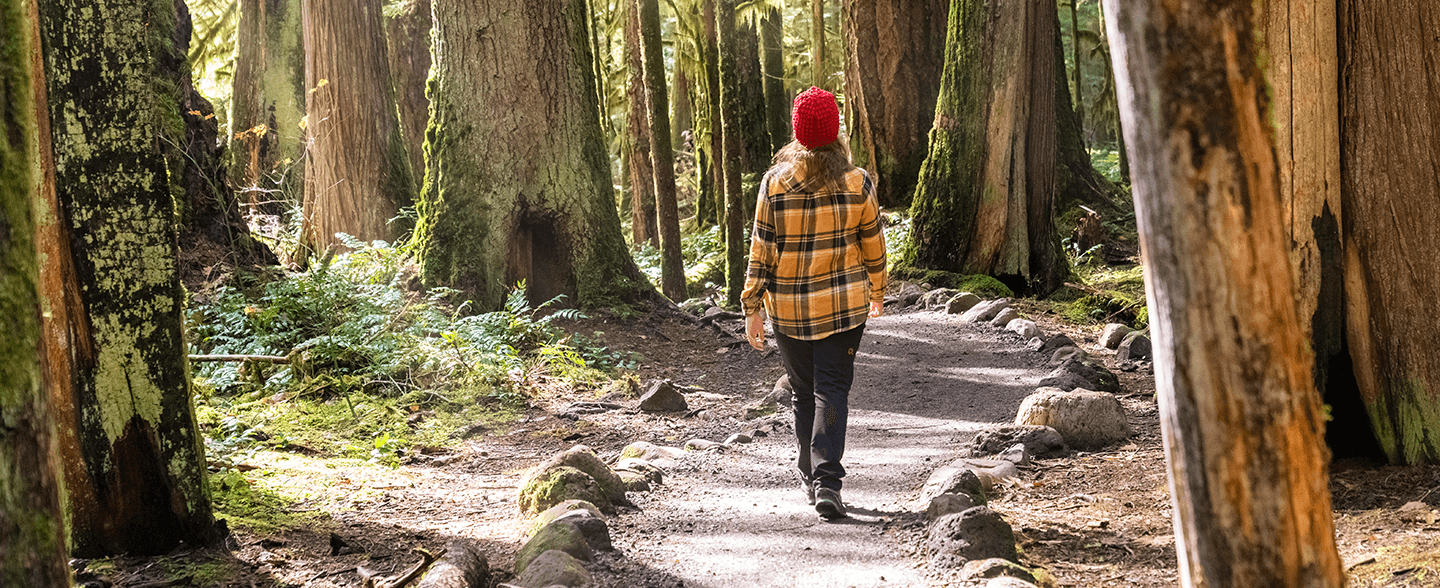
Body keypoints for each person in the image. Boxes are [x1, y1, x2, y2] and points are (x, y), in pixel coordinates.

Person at [741, 86, 887, 520]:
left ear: (798, 131)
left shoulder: (775, 183)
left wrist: (752, 305)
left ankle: (809, 474)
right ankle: (827, 482)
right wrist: (878, 291)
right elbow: (873, 246)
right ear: (835, 131)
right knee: (832, 388)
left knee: (805, 391)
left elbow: (760, 249)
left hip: (788, 310)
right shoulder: (857, 182)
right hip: (843, 308)